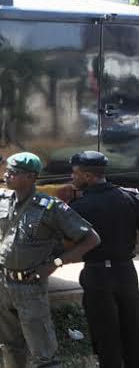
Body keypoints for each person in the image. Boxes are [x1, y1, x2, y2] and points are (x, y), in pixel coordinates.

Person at [0, 152, 100, 368]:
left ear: (30, 177)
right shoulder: (1, 198)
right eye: (7, 171)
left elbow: (91, 239)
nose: (6, 175)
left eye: (13, 173)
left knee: (43, 352)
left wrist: (54, 264)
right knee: (8, 344)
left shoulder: (50, 207)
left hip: (30, 286)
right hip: (1, 283)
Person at [65, 151, 139, 368]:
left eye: (75, 173)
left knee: (105, 334)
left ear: (88, 176)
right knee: (132, 329)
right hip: (126, 273)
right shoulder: (130, 197)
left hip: (97, 275)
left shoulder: (80, 207)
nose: (72, 177)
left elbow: (66, 242)